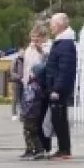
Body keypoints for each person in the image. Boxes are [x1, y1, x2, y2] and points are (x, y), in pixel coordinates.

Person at [43, 12, 77, 160]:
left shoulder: (65, 44)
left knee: (59, 119)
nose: (51, 27)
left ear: (59, 25)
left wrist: (57, 89)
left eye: (52, 24)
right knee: (58, 119)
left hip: (59, 89)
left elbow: (65, 69)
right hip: (56, 87)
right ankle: (63, 149)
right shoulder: (61, 42)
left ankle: (64, 150)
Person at [20, 25, 51, 157]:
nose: (34, 40)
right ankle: (30, 147)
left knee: (36, 121)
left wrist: (41, 51)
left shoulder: (47, 47)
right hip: (28, 86)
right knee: (27, 119)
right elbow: (26, 67)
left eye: (37, 37)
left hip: (39, 88)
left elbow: (47, 64)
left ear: (44, 37)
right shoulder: (29, 49)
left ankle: (41, 147)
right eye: (33, 37)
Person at [20, 61, 49, 160]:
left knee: (30, 132)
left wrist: (24, 113)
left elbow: (29, 101)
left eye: (32, 72)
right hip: (33, 113)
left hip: (30, 113)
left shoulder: (33, 86)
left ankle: (37, 150)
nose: (30, 73)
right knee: (30, 132)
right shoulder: (37, 85)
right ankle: (31, 149)